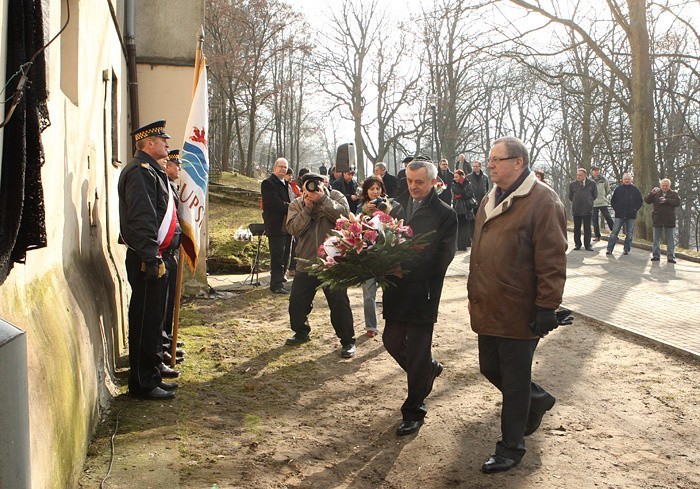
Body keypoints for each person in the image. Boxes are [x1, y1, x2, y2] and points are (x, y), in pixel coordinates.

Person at [469, 136, 567, 473]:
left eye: (497, 159)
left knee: (513, 383)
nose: (490, 165)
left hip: (519, 308)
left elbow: (553, 260)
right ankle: (538, 399)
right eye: (490, 159)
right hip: (489, 305)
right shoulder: (488, 198)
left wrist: (546, 307)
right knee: (490, 368)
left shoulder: (543, 202)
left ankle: (511, 448)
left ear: (518, 163)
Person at [382, 157, 457, 436]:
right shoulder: (398, 208)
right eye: (410, 181)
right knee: (390, 341)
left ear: (433, 182)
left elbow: (442, 259)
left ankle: (414, 410)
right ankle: (427, 369)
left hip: (423, 292)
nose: (413, 186)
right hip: (396, 289)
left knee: (416, 352)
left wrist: (405, 269)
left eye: (420, 182)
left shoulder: (445, 214)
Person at [118, 120, 180, 400]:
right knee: (145, 321)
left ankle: (152, 373)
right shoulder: (141, 172)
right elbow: (142, 218)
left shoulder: (152, 172)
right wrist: (151, 256)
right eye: (163, 140)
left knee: (154, 320)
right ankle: (142, 383)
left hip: (156, 256)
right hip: (148, 259)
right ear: (149, 144)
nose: (167, 145)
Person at [284, 172, 357, 358]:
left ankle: (348, 341)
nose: (313, 189)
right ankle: (301, 332)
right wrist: (307, 209)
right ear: (301, 188)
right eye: (308, 185)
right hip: (306, 261)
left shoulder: (335, 197)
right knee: (297, 305)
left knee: (339, 304)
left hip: (332, 262)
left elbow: (345, 218)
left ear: (324, 183)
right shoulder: (297, 204)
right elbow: (293, 229)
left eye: (316, 184)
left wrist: (323, 199)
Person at [356, 176, 404, 337]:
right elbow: (356, 229)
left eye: (378, 188)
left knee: (391, 293)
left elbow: (398, 226)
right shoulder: (360, 208)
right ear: (366, 192)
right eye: (371, 189)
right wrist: (365, 212)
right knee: (368, 293)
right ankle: (371, 326)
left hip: (388, 256)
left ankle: (394, 325)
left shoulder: (393, 205)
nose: (375, 192)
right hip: (368, 256)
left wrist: (385, 211)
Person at [261, 157, 292, 294]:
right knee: (277, 256)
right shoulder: (267, 183)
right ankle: (276, 284)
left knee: (286, 254)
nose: (283, 169)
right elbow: (274, 203)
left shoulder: (286, 184)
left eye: (285, 167)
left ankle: (281, 280)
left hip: (287, 225)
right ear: (274, 167)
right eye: (280, 166)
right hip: (275, 225)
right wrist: (292, 207)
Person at [606, 173, 643, 256]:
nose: (627, 180)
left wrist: (635, 209)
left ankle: (626, 249)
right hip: (619, 215)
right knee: (614, 232)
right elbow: (613, 201)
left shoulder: (635, 190)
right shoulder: (618, 189)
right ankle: (609, 249)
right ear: (622, 180)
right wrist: (617, 209)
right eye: (625, 179)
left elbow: (640, 201)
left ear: (631, 180)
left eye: (628, 179)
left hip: (631, 215)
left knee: (629, 233)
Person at [644, 178, 680, 263]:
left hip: (669, 219)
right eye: (663, 185)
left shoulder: (674, 193)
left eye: (666, 186)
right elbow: (647, 200)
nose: (665, 187)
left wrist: (666, 200)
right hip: (657, 218)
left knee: (670, 239)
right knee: (656, 239)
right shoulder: (656, 193)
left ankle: (671, 257)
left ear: (669, 186)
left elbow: (677, 203)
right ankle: (656, 255)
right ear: (661, 185)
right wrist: (652, 193)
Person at [568, 168, 597, 251]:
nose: (578, 177)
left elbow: (594, 195)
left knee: (587, 228)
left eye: (580, 175)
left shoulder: (592, 184)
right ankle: (577, 244)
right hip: (576, 209)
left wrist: (589, 201)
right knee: (577, 228)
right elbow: (570, 196)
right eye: (577, 175)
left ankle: (587, 245)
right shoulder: (572, 184)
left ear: (585, 175)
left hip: (587, 209)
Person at [451, 169, 475, 250]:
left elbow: (469, 194)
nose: (455, 179)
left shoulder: (468, 183)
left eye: (457, 177)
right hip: (458, 208)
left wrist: (461, 195)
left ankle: (465, 244)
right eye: (454, 177)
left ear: (461, 176)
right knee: (460, 227)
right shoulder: (454, 184)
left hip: (467, 208)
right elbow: (457, 191)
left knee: (466, 227)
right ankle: (460, 245)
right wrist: (462, 194)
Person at [591, 166, 614, 241]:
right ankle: (597, 236)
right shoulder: (589, 181)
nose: (596, 171)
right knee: (594, 220)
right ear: (592, 171)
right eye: (594, 170)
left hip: (603, 202)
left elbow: (608, 190)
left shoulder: (604, 180)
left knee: (608, 217)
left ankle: (614, 233)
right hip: (593, 203)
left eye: (597, 170)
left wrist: (604, 197)